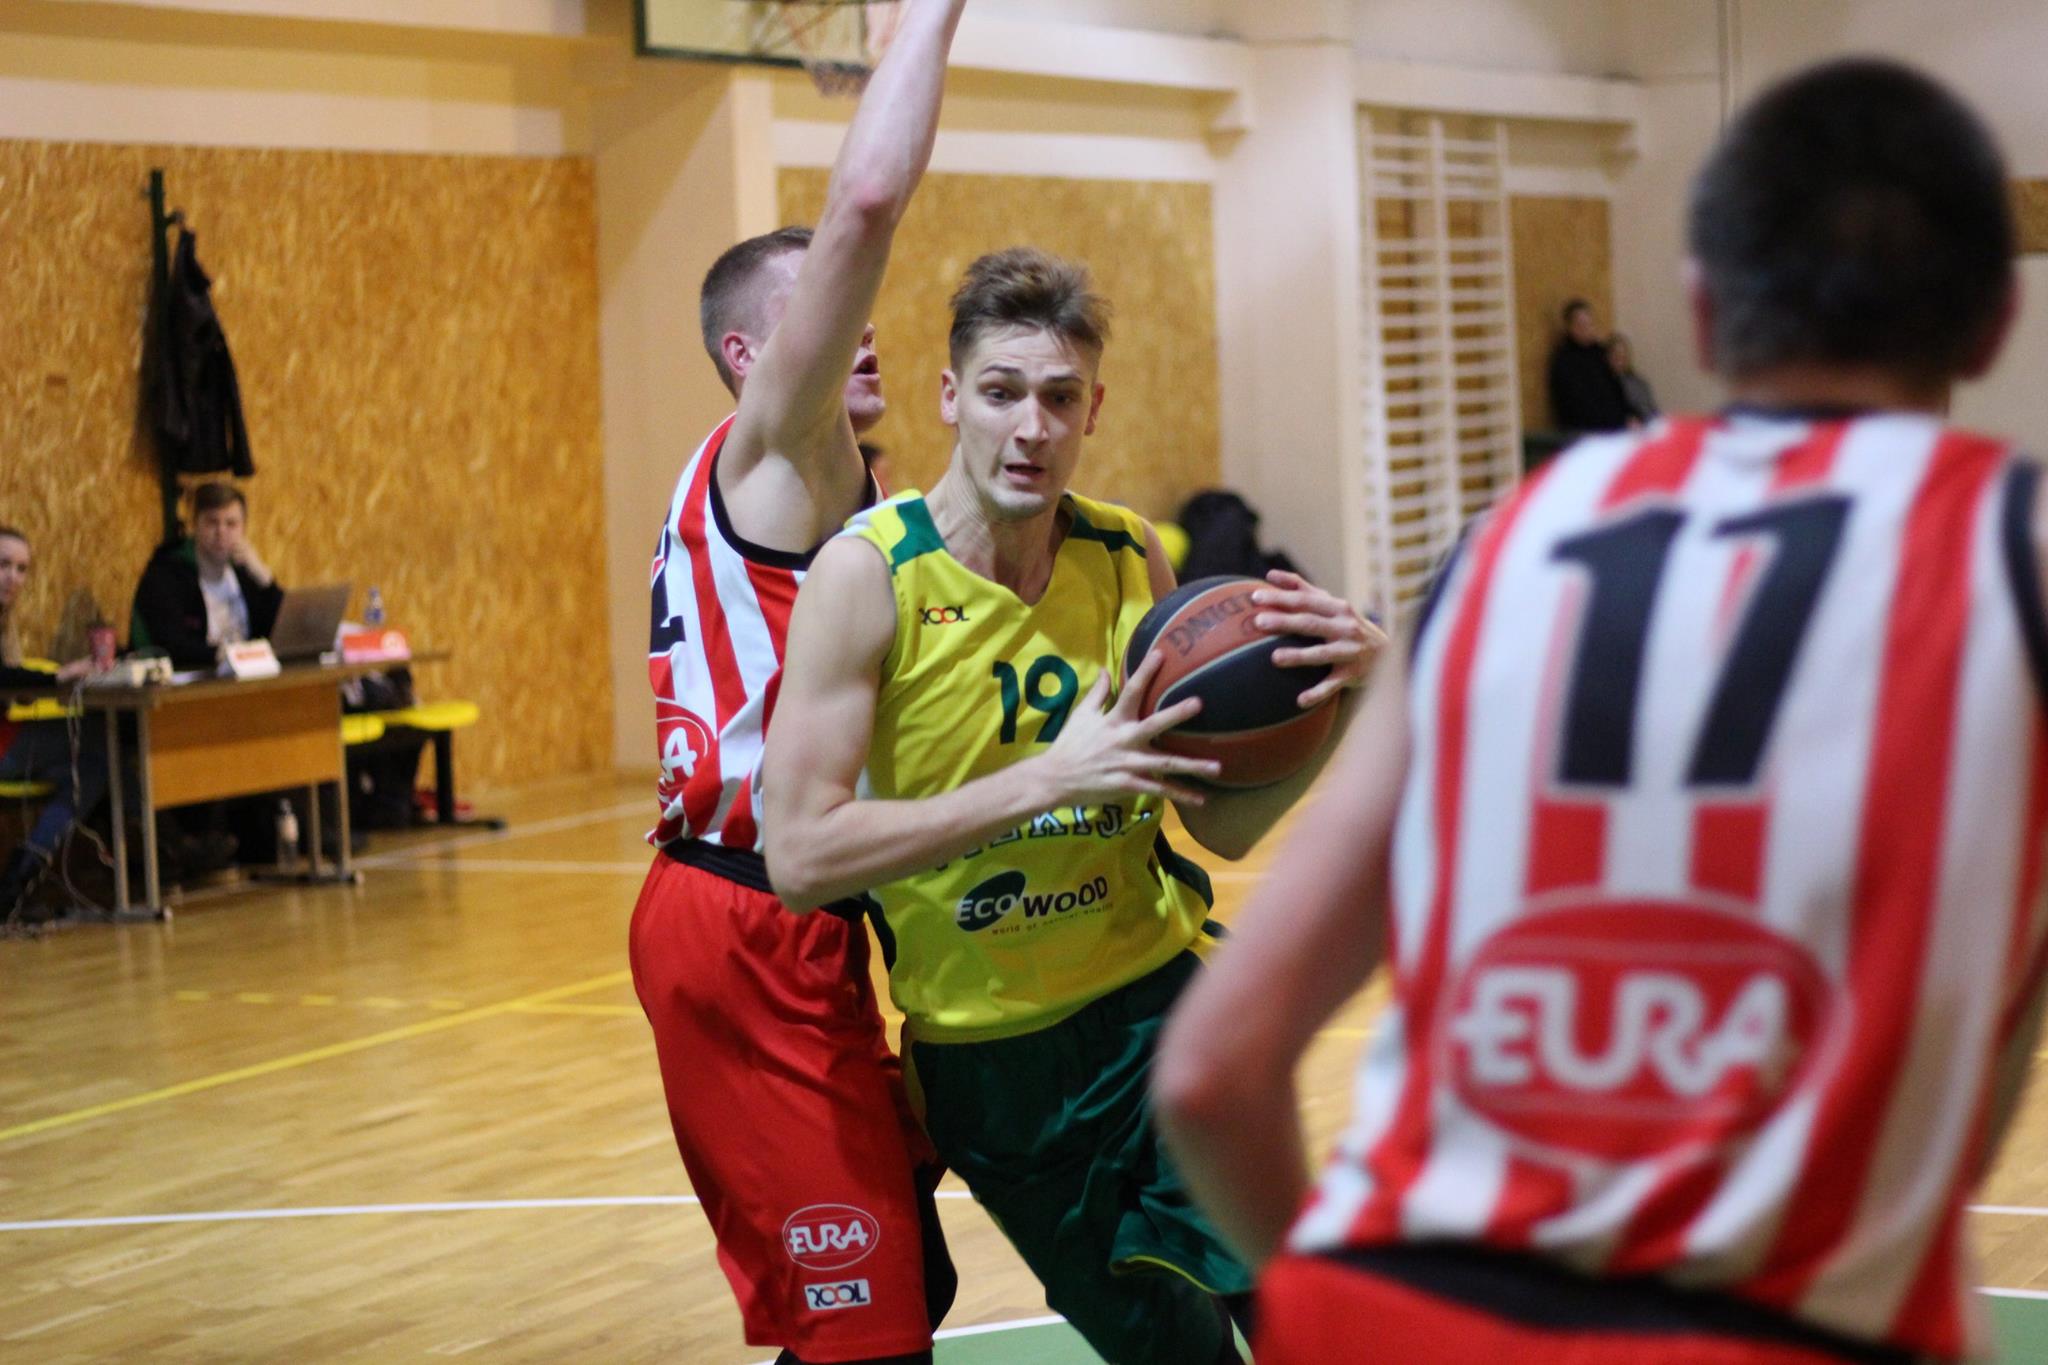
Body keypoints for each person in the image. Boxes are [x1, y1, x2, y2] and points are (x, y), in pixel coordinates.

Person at [1154, 57, 2040, 1365]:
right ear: (1993, 327)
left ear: (1701, 307)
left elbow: (1208, 1074)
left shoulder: (1506, 543)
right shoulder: (2016, 555)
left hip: (1386, 1317)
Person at [762, 247, 1385, 1365]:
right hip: (996, 1061)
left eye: (1059, 398)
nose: (1031, 428)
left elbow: (1219, 827)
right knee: (1175, 1355)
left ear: (1092, 409)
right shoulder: (868, 577)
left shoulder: (1123, 551)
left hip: (1166, 1010)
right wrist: (1049, 779)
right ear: (950, 396)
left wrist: (1348, 699)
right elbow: (800, 856)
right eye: (1001, 392)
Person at [625, 4, 967, 1362]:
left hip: (784, 910)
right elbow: (868, 202)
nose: (860, 334)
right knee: (870, 1326)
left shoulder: (822, 487)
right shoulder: (779, 454)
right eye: (826, 316)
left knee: (903, 1278)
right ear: (749, 359)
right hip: (746, 921)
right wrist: (928, 17)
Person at [0, 526, 108, 920]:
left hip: (7, 736)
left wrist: (33, 686)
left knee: (93, 766)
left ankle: (22, 874)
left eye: (22, 569)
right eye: (3, 565)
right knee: (97, 739)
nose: (13, 577)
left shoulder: (5, 620)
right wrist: (56, 678)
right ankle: (164, 844)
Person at [130, 481, 282, 670]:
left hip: (249, 678)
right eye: (212, 522)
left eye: (231, 524)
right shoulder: (165, 575)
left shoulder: (246, 573)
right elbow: (171, 646)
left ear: (243, 528)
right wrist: (223, 654)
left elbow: (284, 632)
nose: (221, 532)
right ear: (195, 525)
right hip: (189, 680)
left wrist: (265, 580)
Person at [1547, 298, 1632, 434]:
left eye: (1590, 324)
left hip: (1614, 427)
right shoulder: (1564, 362)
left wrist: (1628, 417)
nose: (1587, 329)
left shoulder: (1600, 353)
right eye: (1581, 325)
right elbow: (1577, 406)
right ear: (1570, 327)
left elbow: (1617, 389)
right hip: (1585, 433)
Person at [1609, 331, 1660, 424]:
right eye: (1616, 356)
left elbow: (1652, 411)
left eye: (1623, 357)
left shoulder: (1639, 383)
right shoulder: (1604, 386)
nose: (1620, 361)